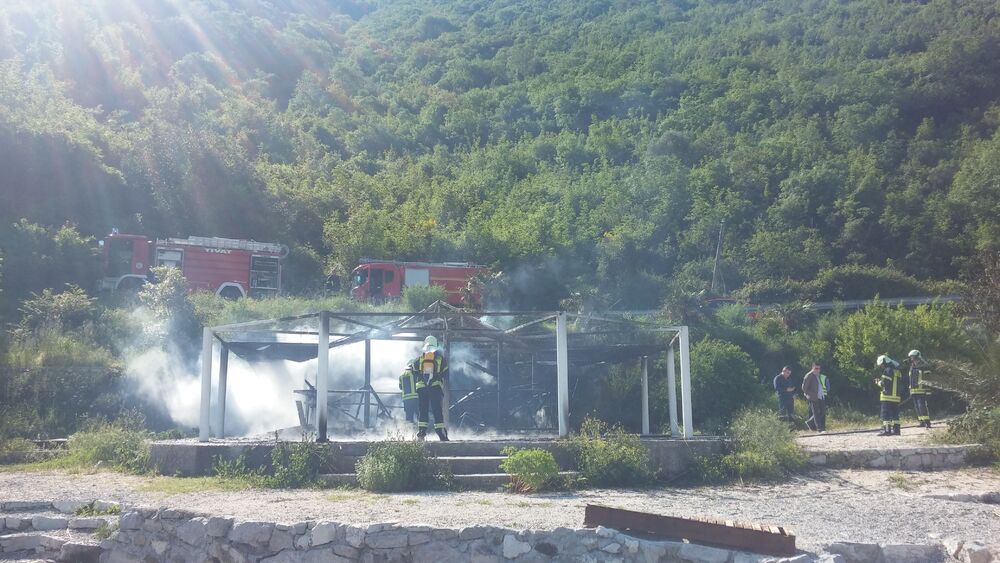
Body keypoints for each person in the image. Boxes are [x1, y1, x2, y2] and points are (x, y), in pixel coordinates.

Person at [415, 335, 449, 441]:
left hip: (422, 388)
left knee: (423, 410)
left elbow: (414, 372)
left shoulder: (419, 359)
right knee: (437, 410)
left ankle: (422, 432)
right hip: (435, 388)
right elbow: (446, 373)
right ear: (436, 346)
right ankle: (440, 434)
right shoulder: (440, 359)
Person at [875, 355, 902, 436]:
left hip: (887, 396)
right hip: (896, 397)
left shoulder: (887, 370)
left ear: (884, 362)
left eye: (881, 365)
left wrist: (878, 382)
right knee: (895, 414)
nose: (881, 367)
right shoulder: (897, 371)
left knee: (885, 414)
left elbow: (885, 383)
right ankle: (896, 430)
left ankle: (886, 430)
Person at [907, 349, 932, 428]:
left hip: (921, 390)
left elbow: (928, 379)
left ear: (917, 356)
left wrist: (928, 390)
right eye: (910, 357)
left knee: (922, 406)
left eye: (913, 357)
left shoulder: (924, 366)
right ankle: (921, 421)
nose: (911, 358)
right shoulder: (912, 366)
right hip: (914, 391)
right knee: (917, 407)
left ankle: (927, 422)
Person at [802, 362, 826, 432]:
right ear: (812, 368)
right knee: (816, 413)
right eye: (816, 368)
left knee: (822, 411)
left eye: (819, 368)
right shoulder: (809, 375)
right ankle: (819, 429)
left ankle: (809, 422)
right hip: (813, 397)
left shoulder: (818, 375)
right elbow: (804, 388)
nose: (817, 370)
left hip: (820, 396)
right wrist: (809, 395)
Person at [398, 358, 420, 424]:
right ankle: (421, 430)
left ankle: (409, 431)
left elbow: (400, 387)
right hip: (415, 398)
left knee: (409, 417)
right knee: (420, 415)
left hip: (406, 400)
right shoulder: (415, 374)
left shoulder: (401, 376)